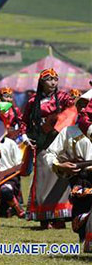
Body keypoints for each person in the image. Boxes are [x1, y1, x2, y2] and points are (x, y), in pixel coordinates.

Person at [24, 68, 75, 228]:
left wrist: (58, 124)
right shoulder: (33, 101)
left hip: (59, 142)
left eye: (55, 79)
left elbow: (73, 112)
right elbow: (24, 121)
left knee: (60, 178)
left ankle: (59, 218)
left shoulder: (64, 97)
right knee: (43, 179)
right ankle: (44, 218)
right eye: (48, 79)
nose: (53, 82)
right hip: (42, 143)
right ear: (41, 82)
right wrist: (25, 137)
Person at [44, 90, 92, 252]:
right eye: (81, 105)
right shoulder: (69, 131)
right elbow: (50, 154)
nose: (84, 109)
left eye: (88, 105)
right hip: (81, 181)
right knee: (80, 224)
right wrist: (59, 164)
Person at [0, 123, 26, 218]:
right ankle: (5, 210)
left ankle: (18, 210)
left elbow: (19, 164)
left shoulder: (10, 143)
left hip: (9, 178)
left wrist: (4, 174)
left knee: (5, 190)